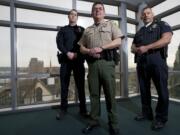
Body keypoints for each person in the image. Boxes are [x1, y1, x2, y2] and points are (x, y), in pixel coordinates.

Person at [78, 2, 124, 135]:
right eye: (95, 9)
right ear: (92, 13)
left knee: (110, 94)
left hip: (107, 63)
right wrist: (88, 51)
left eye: (100, 9)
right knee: (94, 94)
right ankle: (94, 121)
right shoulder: (87, 30)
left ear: (104, 12)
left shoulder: (111, 25)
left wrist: (102, 48)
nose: (97, 11)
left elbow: (118, 41)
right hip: (92, 65)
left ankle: (113, 124)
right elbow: (81, 47)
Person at [131, 6, 173, 130]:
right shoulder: (139, 32)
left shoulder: (161, 24)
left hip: (157, 62)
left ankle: (160, 118)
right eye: (143, 14)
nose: (146, 15)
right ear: (141, 17)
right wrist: (136, 49)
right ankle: (146, 113)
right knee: (144, 90)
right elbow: (132, 47)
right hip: (142, 63)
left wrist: (147, 47)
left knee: (162, 91)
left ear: (152, 14)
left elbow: (167, 39)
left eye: (148, 13)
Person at [56, 9, 88, 120]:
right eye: (71, 14)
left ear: (77, 17)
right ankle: (63, 110)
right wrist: (67, 52)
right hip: (65, 61)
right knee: (64, 86)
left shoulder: (82, 30)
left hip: (78, 61)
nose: (73, 16)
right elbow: (59, 44)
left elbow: (85, 45)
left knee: (80, 86)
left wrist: (76, 54)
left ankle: (83, 110)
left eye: (75, 15)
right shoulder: (63, 30)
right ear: (68, 16)